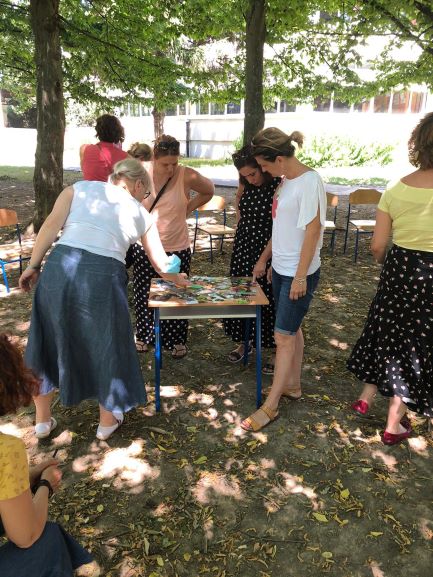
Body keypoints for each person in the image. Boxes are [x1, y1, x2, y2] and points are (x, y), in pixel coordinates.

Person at [19, 158, 188, 442]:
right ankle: (106, 422)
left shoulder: (78, 189)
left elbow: (49, 226)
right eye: (146, 193)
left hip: (59, 269)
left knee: (45, 341)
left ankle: (42, 421)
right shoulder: (141, 214)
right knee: (108, 343)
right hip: (103, 278)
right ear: (138, 184)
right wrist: (178, 277)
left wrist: (33, 265)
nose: (144, 198)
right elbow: (162, 264)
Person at [347, 113, 433, 445]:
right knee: (418, 342)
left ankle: (366, 397)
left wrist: (390, 265)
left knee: (387, 330)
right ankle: (393, 424)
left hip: (399, 267)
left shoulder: (396, 188)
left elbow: (377, 245)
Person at [240, 127, 326, 432]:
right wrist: (266, 258)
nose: (263, 171)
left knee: (282, 337)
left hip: (298, 273)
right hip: (281, 268)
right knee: (291, 329)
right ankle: (292, 385)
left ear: (278, 158)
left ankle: (271, 406)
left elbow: (313, 231)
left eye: (264, 165)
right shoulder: (286, 181)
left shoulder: (310, 181)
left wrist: (300, 276)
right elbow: (281, 228)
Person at [0, 333, 95, 576]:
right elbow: (26, 535)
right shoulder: (5, 450)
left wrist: (24, 478)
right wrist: (45, 485)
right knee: (47, 539)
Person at [130, 134, 214, 358]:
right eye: (165, 164)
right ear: (154, 159)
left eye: (174, 163)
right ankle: (144, 335)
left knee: (176, 294)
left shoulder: (186, 174)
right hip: (145, 246)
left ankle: (176, 339)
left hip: (176, 246)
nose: (170, 169)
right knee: (144, 293)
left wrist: (189, 207)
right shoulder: (140, 172)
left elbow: (209, 190)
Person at [224, 145, 280, 371]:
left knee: (268, 298)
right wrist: (240, 219)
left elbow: (280, 228)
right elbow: (239, 199)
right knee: (242, 294)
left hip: (267, 248)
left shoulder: (277, 185)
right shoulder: (245, 182)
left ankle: (276, 349)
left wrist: (265, 259)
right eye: (244, 175)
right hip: (244, 247)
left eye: (253, 173)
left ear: (262, 167)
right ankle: (245, 341)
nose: (250, 179)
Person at [80, 114, 128, 181]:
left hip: (87, 187)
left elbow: (84, 170)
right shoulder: (125, 157)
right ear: (118, 132)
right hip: (108, 187)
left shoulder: (84, 149)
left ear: (98, 131)